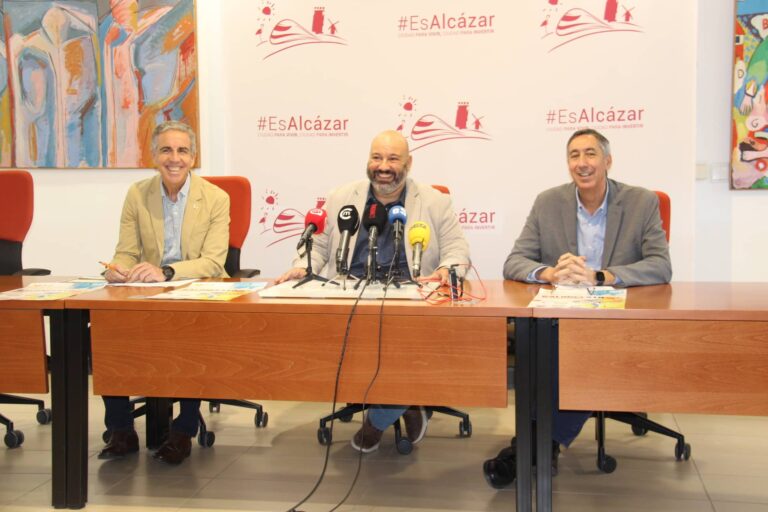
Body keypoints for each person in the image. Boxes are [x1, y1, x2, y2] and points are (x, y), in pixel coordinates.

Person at [486, 128, 672, 487]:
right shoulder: (548, 202)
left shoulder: (641, 201)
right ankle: (540, 445)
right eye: (574, 155)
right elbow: (514, 261)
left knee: (581, 352)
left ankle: (534, 448)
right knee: (544, 346)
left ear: (607, 161)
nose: (582, 163)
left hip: (616, 319)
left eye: (590, 154)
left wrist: (600, 276)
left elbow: (660, 265)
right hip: (564, 314)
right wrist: (549, 272)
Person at [275, 130, 470, 453]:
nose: (383, 166)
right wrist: (302, 266)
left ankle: (379, 419)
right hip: (351, 294)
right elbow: (320, 245)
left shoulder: (435, 200)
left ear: (408, 163)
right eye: (377, 157)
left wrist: (442, 272)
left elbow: (457, 250)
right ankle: (406, 403)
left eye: (393, 159)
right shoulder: (341, 197)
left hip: (411, 296)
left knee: (401, 346)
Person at [98, 120, 230, 465]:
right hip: (147, 294)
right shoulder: (137, 194)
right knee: (108, 333)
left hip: (197, 292)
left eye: (182, 150)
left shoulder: (216, 198)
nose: (174, 158)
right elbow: (127, 250)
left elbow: (214, 262)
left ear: (194, 156)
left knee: (190, 341)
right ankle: (121, 429)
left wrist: (167, 272)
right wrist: (116, 269)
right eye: (166, 150)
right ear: (154, 156)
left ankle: (183, 430)